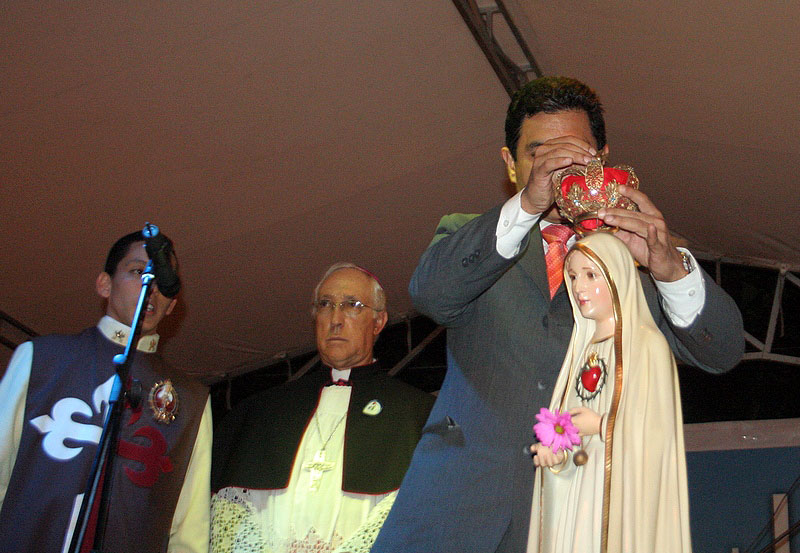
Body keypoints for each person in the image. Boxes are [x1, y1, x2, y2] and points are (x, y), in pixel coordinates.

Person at [370, 76, 743, 552]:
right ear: (511, 164)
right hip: (456, 515)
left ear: (602, 160)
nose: (558, 166)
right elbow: (431, 295)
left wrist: (669, 270)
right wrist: (528, 204)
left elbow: (721, 352)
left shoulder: (639, 260)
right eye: (540, 154)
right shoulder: (473, 236)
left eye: (575, 153)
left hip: (580, 519)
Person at [0, 230, 212, 553]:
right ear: (104, 284)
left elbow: (189, 531)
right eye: (138, 271)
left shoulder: (190, 401)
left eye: (163, 281)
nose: (151, 288)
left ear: (171, 305)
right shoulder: (42, 359)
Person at [210, 263, 434, 553]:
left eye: (352, 305)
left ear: (378, 322)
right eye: (325, 305)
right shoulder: (259, 413)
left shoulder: (417, 414)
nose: (335, 319)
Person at [527, 232, 692, 552]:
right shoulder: (580, 350)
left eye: (591, 275)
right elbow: (568, 424)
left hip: (621, 498)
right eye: (573, 276)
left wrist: (603, 426)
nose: (579, 287)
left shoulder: (646, 345)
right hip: (578, 498)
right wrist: (556, 453)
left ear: (618, 276)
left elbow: (658, 434)